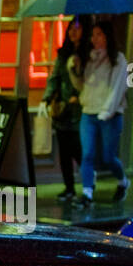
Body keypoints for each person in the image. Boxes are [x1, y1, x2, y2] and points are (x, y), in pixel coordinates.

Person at [76, 21, 131, 205]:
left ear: (107, 36)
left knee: (108, 157)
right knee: (88, 154)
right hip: (89, 113)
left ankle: (123, 181)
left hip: (110, 115)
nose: (95, 39)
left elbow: (118, 88)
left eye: (99, 34)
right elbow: (82, 87)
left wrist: (106, 111)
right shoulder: (90, 59)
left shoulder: (118, 59)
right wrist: (75, 69)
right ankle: (87, 192)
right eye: (93, 35)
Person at [42, 16, 89, 200]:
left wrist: (79, 97)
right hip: (62, 109)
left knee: (78, 149)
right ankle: (69, 187)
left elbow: (90, 82)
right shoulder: (64, 55)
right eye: (71, 29)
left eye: (77, 29)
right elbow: (55, 78)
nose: (73, 32)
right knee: (64, 151)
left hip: (80, 110)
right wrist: (47, 98)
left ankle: (87, 185)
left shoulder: (88, 56)